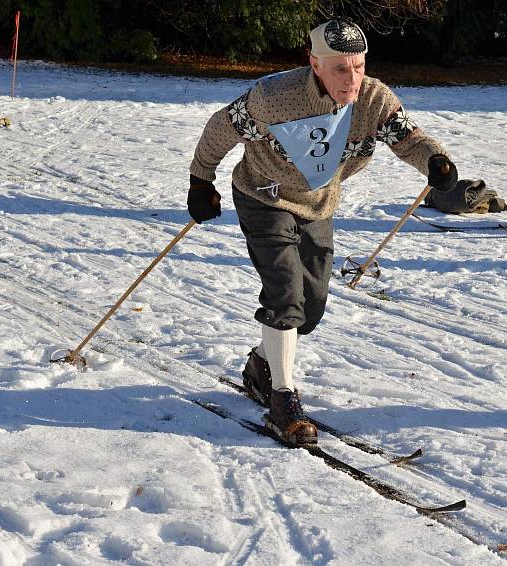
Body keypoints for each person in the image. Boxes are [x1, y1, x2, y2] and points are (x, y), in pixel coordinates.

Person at [187, 19, 459, 445]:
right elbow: (222, 127)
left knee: (309, 311)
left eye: (359, 66)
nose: (352, 78)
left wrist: (435, 161)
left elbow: (408, 138)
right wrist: (201, 181)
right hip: (264, 197)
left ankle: (263, 365)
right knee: (285, 294)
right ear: (314, 64)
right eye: (340, 68)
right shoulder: (273, 99)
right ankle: (283, 399)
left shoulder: (372, 99)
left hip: (317, 205)